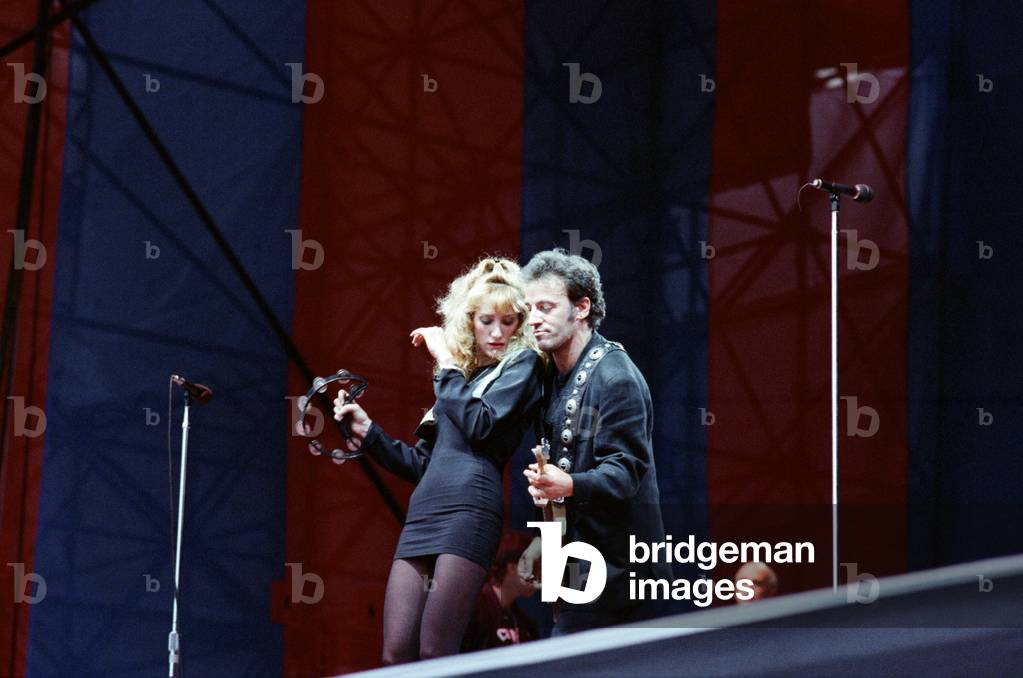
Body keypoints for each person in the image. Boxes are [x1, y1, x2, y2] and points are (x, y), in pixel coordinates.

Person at [333, 258, 544, 663]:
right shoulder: (460, 379)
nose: (497, 332)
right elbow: (422, 464)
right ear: (468, 322)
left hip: (471, 510)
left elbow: (481, 425)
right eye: (486, 321)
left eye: (508, 321)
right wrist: (369, 432)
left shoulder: (522, 367)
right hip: (424, 514)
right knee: (396, 652)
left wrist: (445, 364)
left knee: (436, 649)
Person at [519, 248, 671, 634]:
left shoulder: (615, 376)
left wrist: (567, 484)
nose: (533, 319)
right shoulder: (551, 378)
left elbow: (625, 473)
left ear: (581, 307)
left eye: (547, 307)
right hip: (583, 572)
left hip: (622, 578)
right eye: (529, 308)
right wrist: (545, 543)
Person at [461, 531, 540, 652]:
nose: (541, 575)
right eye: (536, 566)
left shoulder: (524, 623)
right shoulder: (473, 607)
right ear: (513, 567)